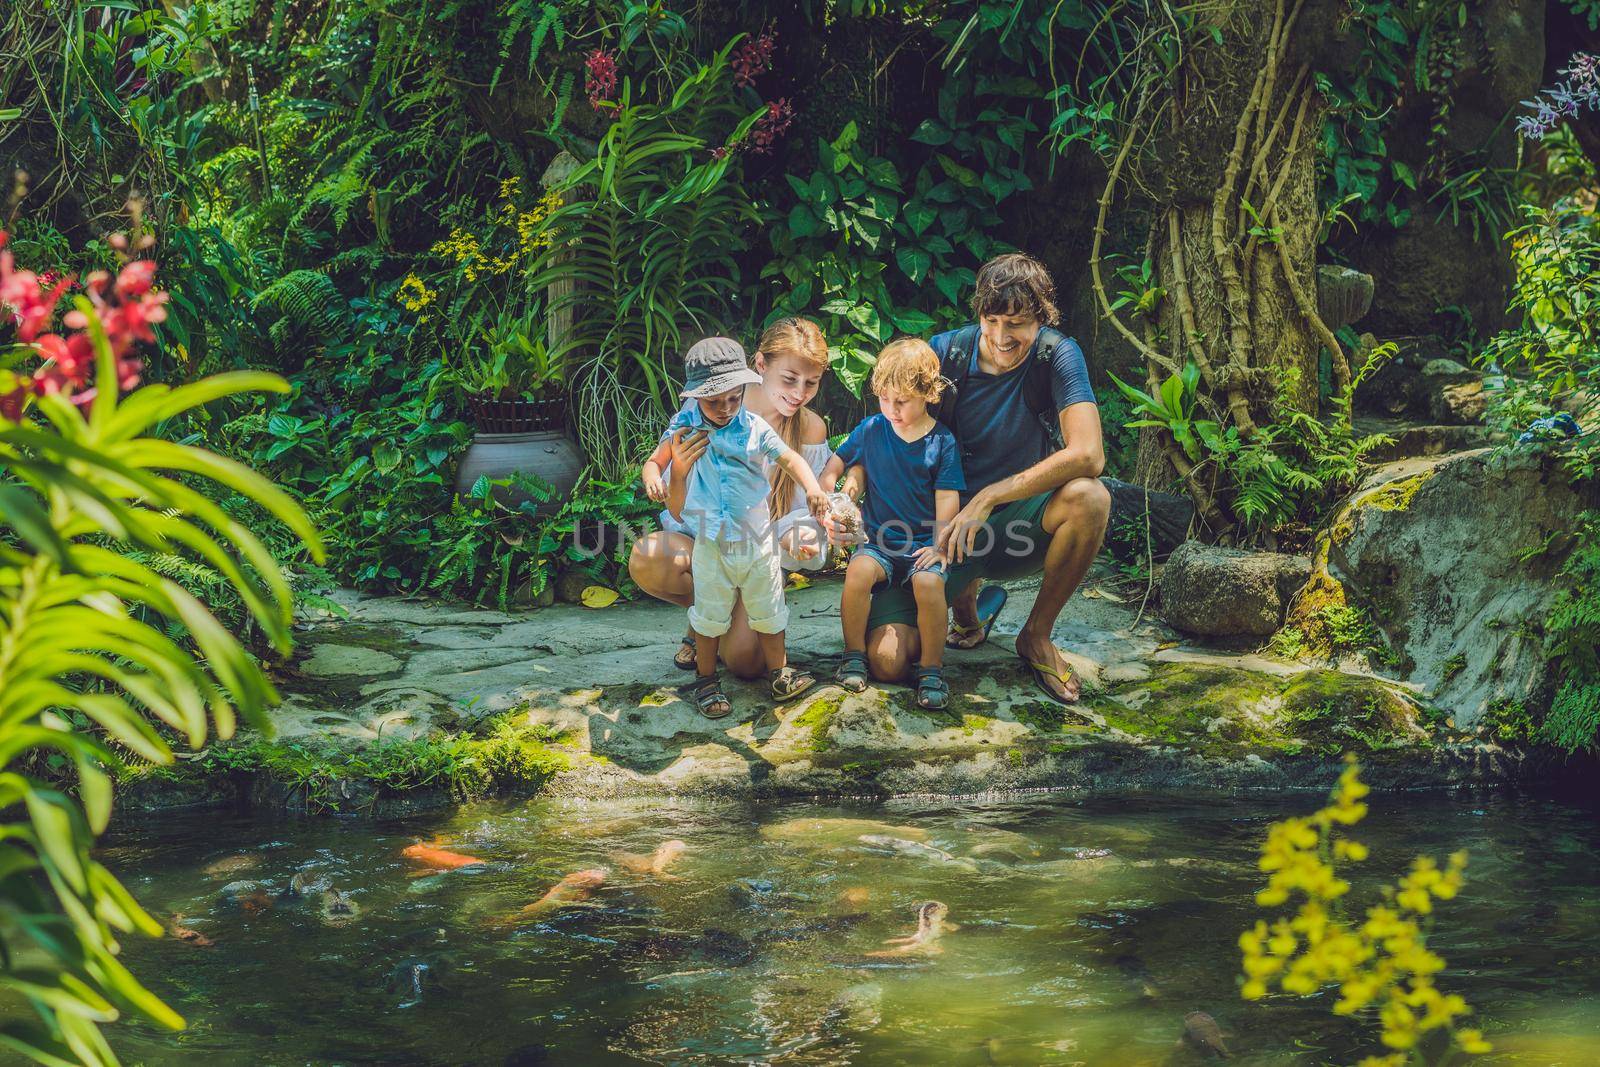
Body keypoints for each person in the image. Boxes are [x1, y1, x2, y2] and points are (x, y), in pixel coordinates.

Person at [858, 252, 1110, 704]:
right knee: (889, 662)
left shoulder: (1057, 355)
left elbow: (1089, 454)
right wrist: (846, 493)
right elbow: (879, 436)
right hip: (936, 532)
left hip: (1018, 525)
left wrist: (990, 497)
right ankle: (969, 612)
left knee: (1090, 498)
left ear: (1042, 318)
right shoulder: (944, 353)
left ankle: (1036, 634)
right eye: (991, 320)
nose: (1001, 337)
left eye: (1016, 324)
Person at [632, 317, 833, 677]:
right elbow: (677, 510)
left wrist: (799, 533)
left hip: (758, 552)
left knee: (745, 662)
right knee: (649, 558)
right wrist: (674, 473)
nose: (799, 392)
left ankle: (724, 626)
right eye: (789, 379)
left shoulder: (808, 427)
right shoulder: (700, 413)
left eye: (811, 383)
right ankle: (709, 618)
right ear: (760, 365)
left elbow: (806, 505)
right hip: (707, 541)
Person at [822, 339, 964, 711]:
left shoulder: (942, 442)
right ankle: (853, 655)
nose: (892, 409)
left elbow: (947, 500)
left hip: (922, 543)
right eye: (885, 399)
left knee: (929, 581)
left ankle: (931, 668)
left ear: (928, 394)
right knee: (857, 572)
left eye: (902, 401)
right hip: (878, 541)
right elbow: (836, 463)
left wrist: (938, 544)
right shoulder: (872, 429)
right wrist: (831, 496)